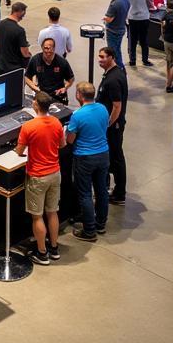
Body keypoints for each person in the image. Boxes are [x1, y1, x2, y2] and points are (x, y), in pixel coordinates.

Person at [15, 90, 66, 265]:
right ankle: (53, 248)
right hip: (55, 173)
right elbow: (62, 144)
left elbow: (19, 151)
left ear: (35, 104)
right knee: (52, 212)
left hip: (37, 176)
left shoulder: (28, 127)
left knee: (37, 216)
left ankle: (42, 253)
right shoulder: (57, 123)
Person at [66, 81, 109, 242]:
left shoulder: (78, 115)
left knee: (85, 193)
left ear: (79, 95)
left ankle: (89, 230)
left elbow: (70, 140)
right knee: (102, 190)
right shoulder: (103, 109)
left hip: (84, 157)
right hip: (103, 154)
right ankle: (101, 223)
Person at [96, 46, 128, 205]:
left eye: (103, 57)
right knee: (112, 158)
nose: (100, 60)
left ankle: (120, 193)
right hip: (111, 126)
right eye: (99, 56)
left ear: (111, 57)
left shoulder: (114, 79)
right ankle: (108, 187)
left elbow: (117, 106)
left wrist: (107, 125)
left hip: (113, 128)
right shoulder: (112, 74)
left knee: (116, 158)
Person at [25, 38, 75, 103]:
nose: (48, 51)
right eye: (46, 48)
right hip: (42, 96)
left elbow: (71, 79)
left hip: (58, 97)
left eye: (50, 48)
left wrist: (65, 88)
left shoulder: (62, 62)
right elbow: (26, 77)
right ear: (42, 48)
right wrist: (34, 88)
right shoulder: (35, 60)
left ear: (54, 48)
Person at [124, 0, 154, 67]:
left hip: (132, 16)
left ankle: (132, 60)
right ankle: (145, 60)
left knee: (132, 40)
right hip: (144, 16)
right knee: (144, 40)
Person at [0, 2, 31, 77]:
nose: (23, 16)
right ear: (19, 12)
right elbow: (25, 53)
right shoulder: (19, 30)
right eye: (23, 13)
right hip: (13, 70)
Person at [103, 0, 129, 68]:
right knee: (117, 50)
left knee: (112, 53)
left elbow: (110, 19)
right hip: (121, 29)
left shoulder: (114, 4)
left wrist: (105, 19)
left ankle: (119, 69)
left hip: (112, 31)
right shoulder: (127, 1)